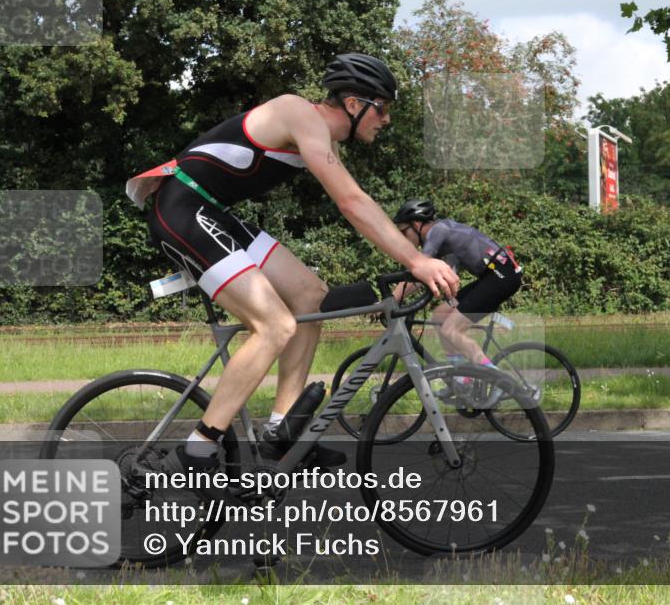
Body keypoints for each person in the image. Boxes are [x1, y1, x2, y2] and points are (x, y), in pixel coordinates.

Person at [125, 54, 460, 476]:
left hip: (212, 212)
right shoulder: (298, 112)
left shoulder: (323, 139)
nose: (387, 118)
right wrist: (416, 260)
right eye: (383, 107)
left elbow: (359, 202)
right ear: (355, 104)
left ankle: (280, 435)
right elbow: (351, 202)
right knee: (275, 324)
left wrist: (403, 270)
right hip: (182, 208)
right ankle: (199, 448)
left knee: (309, 296)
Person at [391, 199, 522, 378]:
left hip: (501, 276)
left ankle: (500, 382)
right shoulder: (444, 232)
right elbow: (439, 275)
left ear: (416, 224)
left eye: (404, 232)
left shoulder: (437, 231)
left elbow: (417, 273)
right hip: (494, 275)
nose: (404, 238)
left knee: (450, 329)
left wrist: (392, 299)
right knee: (440, 316)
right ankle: (461, 379)